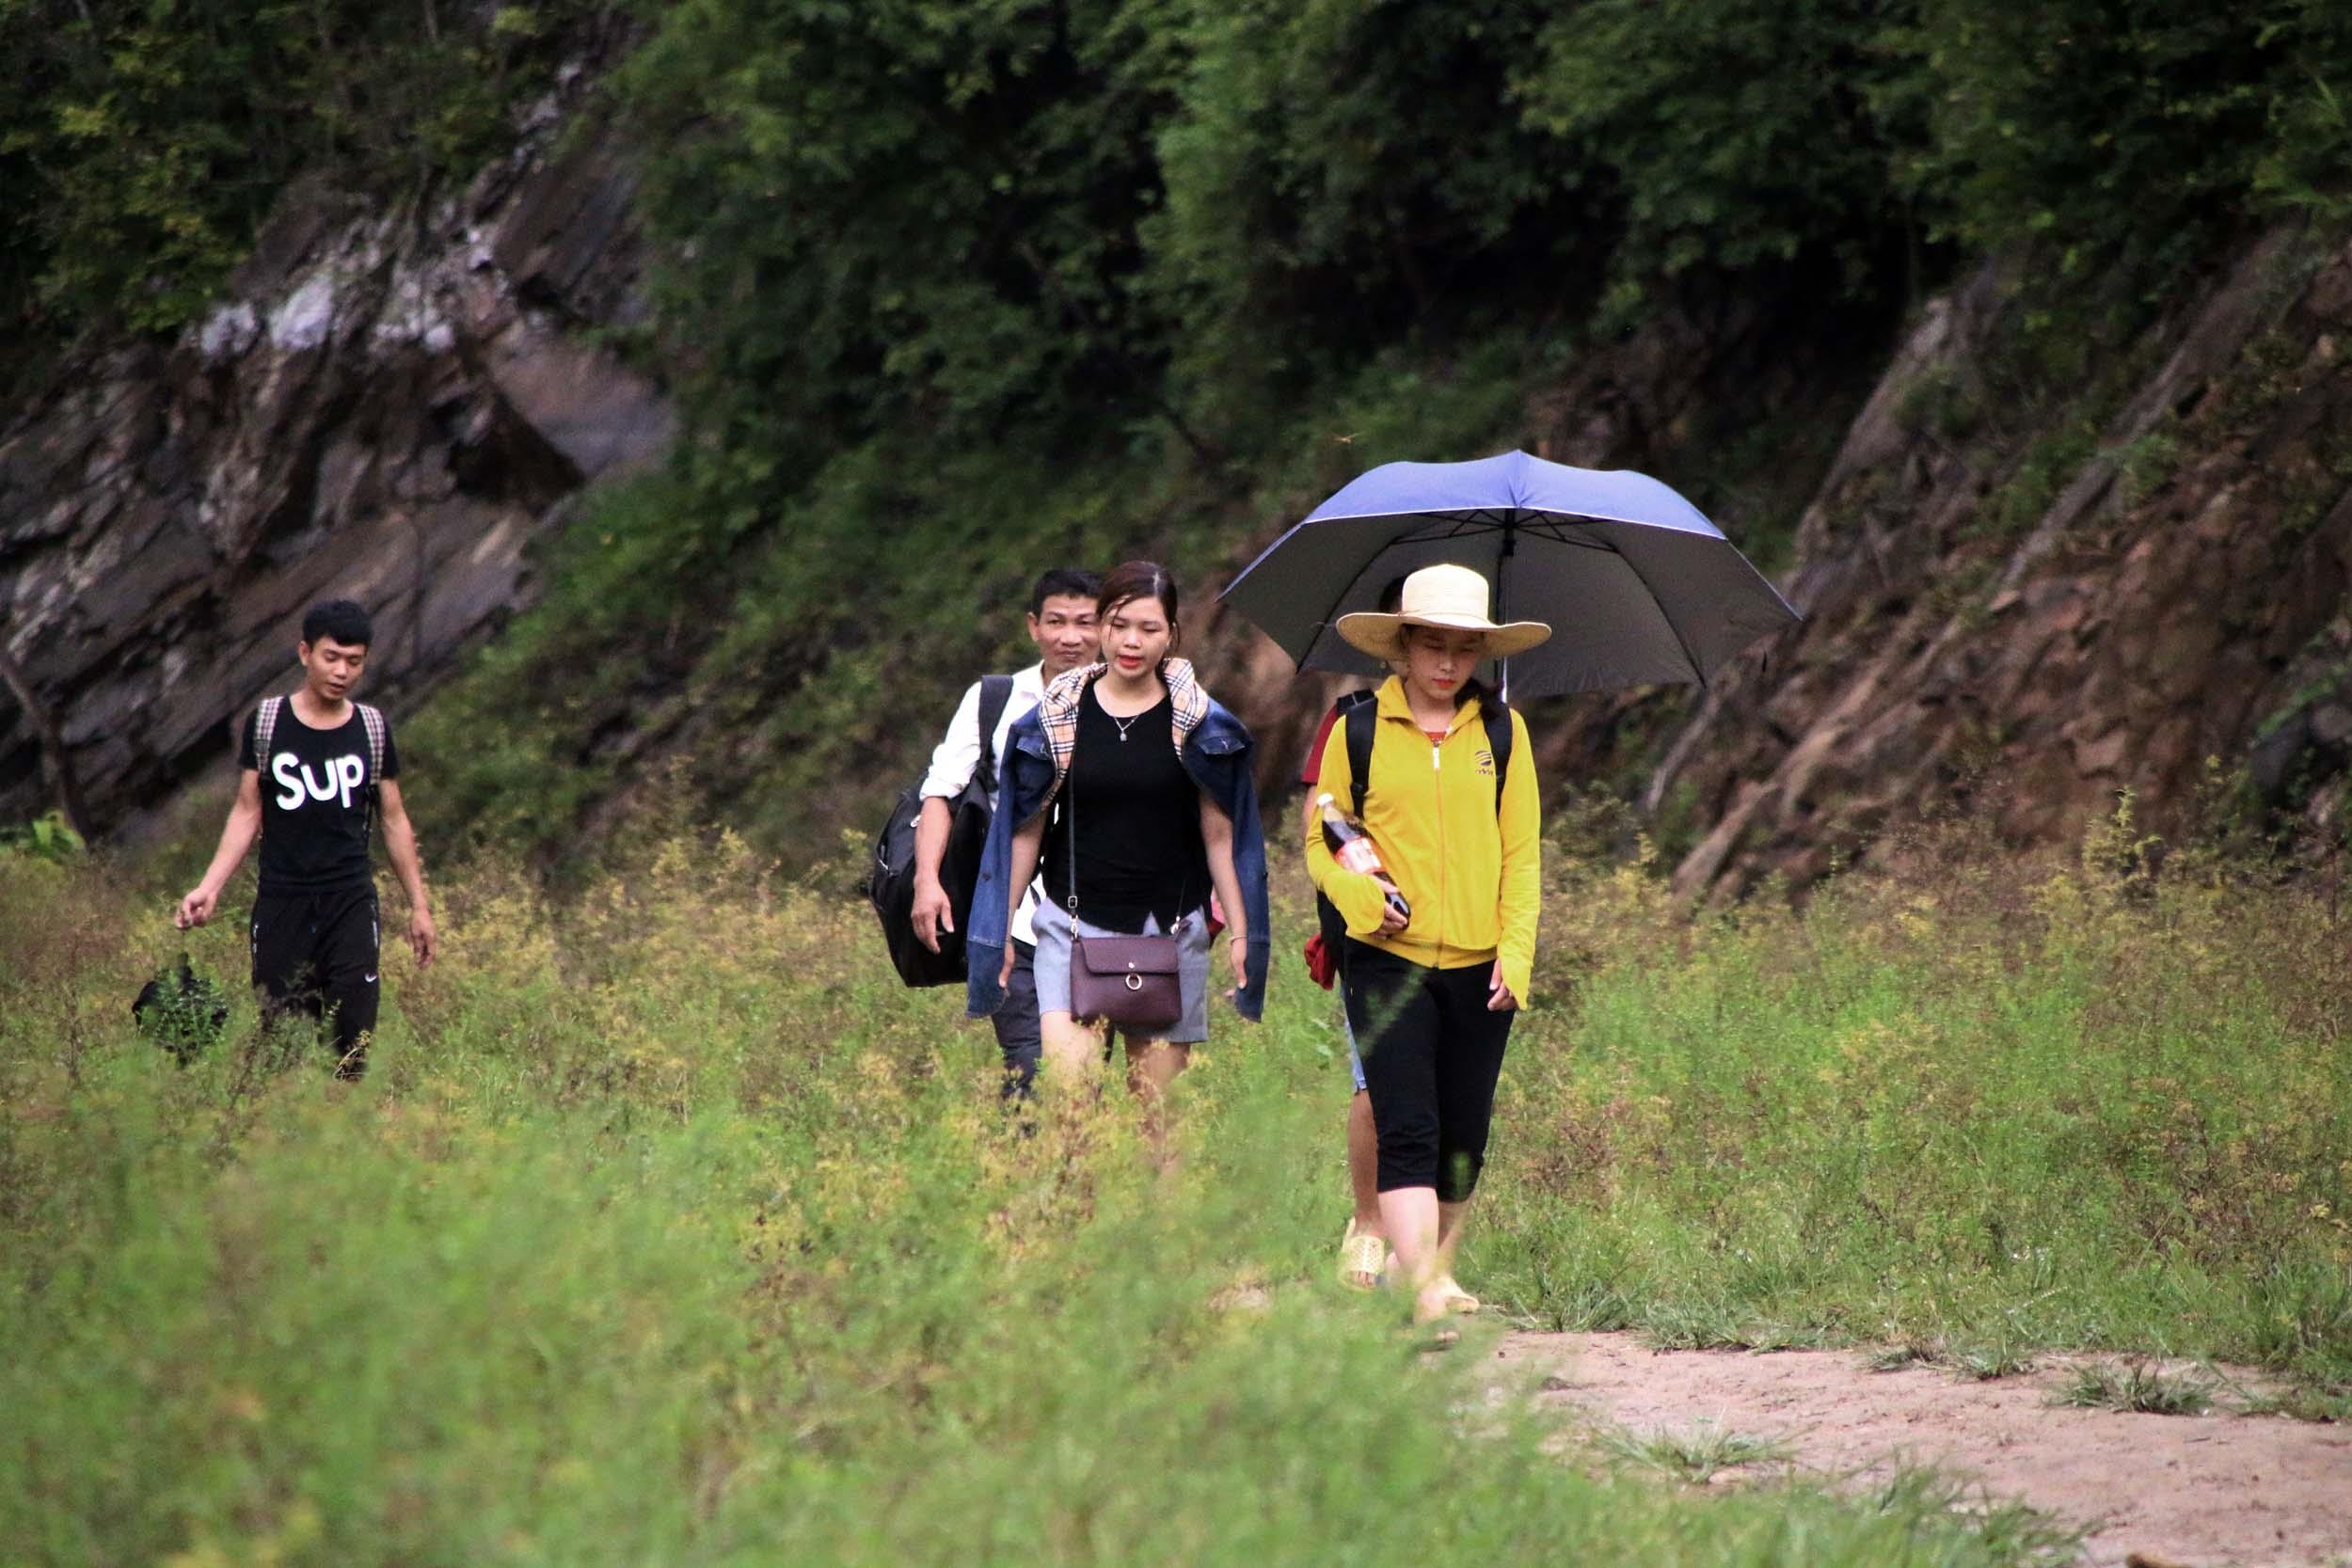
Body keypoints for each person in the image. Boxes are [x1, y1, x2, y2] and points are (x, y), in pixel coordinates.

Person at [1305, 563, 1543, 1328]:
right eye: (1431, 645)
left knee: (1465, 1129)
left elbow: (1522, 852)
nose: (1446, 663)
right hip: (1386, 958)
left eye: (1463, 648)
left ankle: (1438, 1266)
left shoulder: (1504, 732)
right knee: (1407, 1124)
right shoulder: (1359, 728)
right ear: (1401, 646)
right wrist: (1362, 900)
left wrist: (1518, 950)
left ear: (1480, 652)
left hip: (1479, 960)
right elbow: (1324, 834)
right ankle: (1423, 1287)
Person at [965, 562, 1269, 1155]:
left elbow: (1220, 836)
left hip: (1169, 932)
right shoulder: (1057, 718)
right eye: (1120, 624)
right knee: (1069, 1111)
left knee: (1160, 1126)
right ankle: (1076, 1244)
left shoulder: (1200, 725)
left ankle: (1165, 1246)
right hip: (1070, 931)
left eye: (1149, 629)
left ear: (1172, 635)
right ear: (1103, 627)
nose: (1132, 641)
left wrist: (1240, 929)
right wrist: (997, 928)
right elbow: (1024, 832)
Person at [177, 599, 436, 1079]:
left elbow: (394, 819)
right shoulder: (270, 723)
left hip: (350, 899)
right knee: (283, 1033)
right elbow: (247, 809)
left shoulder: (371, 729)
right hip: (283, 900)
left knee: (354, 1031)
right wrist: (209, 887)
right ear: (304, 653)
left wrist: (419, 906)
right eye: (331, 657)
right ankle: (286, 1135)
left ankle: (345, 1134)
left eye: (353, 661)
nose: (341, 671)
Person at [910, 567, 1101, 1098]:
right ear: (1033, 626)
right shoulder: (994, 698)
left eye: (1085, 623)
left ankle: (1073, 1175)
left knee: (1087, 1074)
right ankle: (1028, 1173)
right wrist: (928, 880)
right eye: (1057, 621)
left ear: (1105, 628)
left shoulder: (1132, 704)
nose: (1071, 636)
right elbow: (941, 792)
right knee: (1031, 1062)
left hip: (1104, 922)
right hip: (1010, 917)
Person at [1299, 576, 1406, 1291]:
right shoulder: (1351, 721)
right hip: (1373, 930)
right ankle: (1367, 1222)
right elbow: (1326, 819)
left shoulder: (1491, 725)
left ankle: (1423, 1244)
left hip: (1464, 937)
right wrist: (1373, 888)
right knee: (1375, 1081)